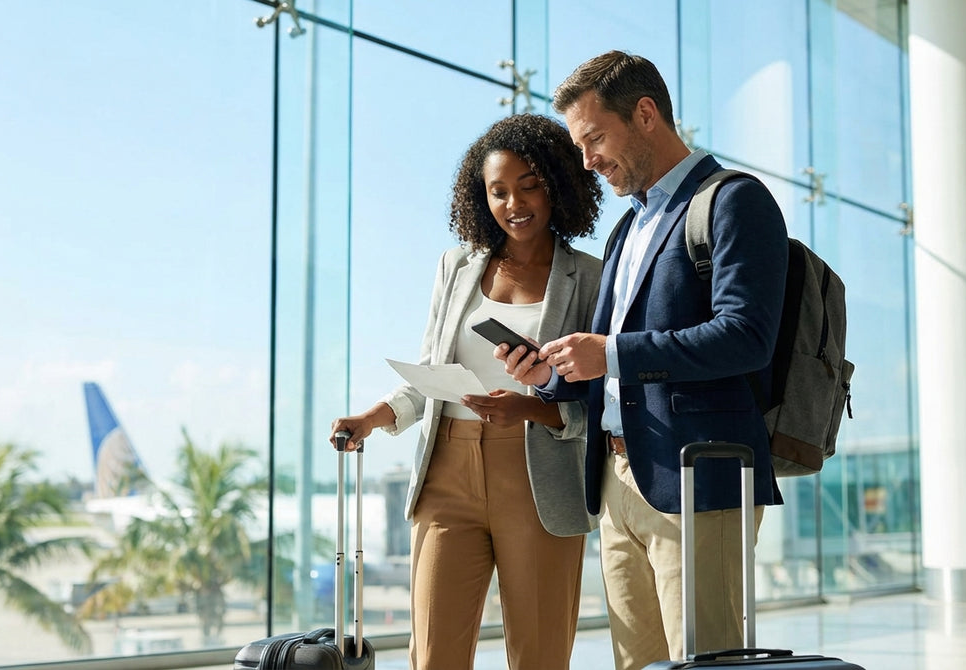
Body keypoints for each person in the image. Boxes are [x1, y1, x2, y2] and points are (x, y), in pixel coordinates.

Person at [497, 51, 788, 670]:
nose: (588, 161)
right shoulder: (627, 231)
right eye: (580, 146)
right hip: (618, 481)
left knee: (705, 661)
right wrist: (550, 374)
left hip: (699, 480)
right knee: (637, 664)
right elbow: (605, 366)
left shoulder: (734, 202)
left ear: (646, 114)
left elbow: (745, 336)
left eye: (595, 138)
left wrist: (611, 353)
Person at [329, 113, 603, 670]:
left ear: (557, 183)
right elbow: (430, 375)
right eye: (497, 191)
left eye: (529, 184)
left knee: (540, 655)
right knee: (433, 655)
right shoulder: (456, 267)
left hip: (539, 475)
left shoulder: (591, 278)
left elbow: (599, 403)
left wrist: (531, 406)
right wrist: (372, 418)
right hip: (446, 473)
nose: (514, 202)